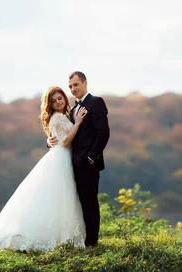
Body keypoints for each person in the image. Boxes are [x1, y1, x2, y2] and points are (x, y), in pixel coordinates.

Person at [0, 86, 88, 252]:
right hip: (60, 159)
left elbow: (59, 138)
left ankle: (62, 236)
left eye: (60, 98)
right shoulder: (57, 118)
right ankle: (53, 237)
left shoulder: (64, 115)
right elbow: (65, 142)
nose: (58, 102)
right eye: (54, 101)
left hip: (63, 157)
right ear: (49, 105)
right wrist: (79, 123)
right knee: (57, 197)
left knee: (61, 197)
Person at [47, 71, 110, 247]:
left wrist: (91, 157)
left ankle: (92, 242)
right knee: (78, 202)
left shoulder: (96, 102)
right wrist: (49, 141)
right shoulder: (73, 108)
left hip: (88, 163)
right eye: (70, 86)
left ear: (85, 83)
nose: (73, 89)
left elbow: (103, 133)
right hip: (72, 163)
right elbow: (64, 133)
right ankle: (81, 238)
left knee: (89, 202)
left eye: (76, 85)